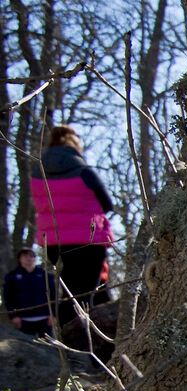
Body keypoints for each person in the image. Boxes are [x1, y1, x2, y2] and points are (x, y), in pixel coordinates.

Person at [30, 125, 115, 330]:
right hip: (88, 239)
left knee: (67, 292)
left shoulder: (37, 174)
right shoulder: (83, 171)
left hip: (54, 241)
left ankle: (67, 339)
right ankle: (89, 344)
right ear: (74, 143)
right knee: (87, 293)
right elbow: (108, 203)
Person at [3, 248, 58, 336]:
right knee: (25, 347)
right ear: (19, 259)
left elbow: (54, 295)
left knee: (47, 347)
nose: (29, 258)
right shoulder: (12, 276)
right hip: (23, 320)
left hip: (45, 319)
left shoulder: (45, 275)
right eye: (25, 256)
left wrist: (54, 315)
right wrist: (13, 316)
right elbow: (8, 298)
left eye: (31, 256)